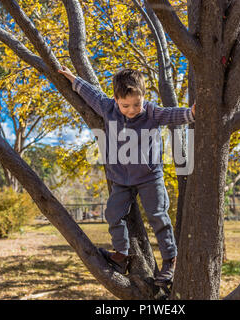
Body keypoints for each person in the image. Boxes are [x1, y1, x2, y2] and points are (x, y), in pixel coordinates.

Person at [58, 66, 195, 285]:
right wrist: (72, 78)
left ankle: (170, 260)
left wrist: (192, 113)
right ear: (116, 100)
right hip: (120, 179)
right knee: (112, 214)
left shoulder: (150, 112)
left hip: (150, 177)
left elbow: (171, 114)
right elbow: (92, 94)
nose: (132, 110)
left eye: (136, 104)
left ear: (144, 97)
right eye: (125, 105)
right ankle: (121, 256)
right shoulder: (108, 108)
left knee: (158, 215)